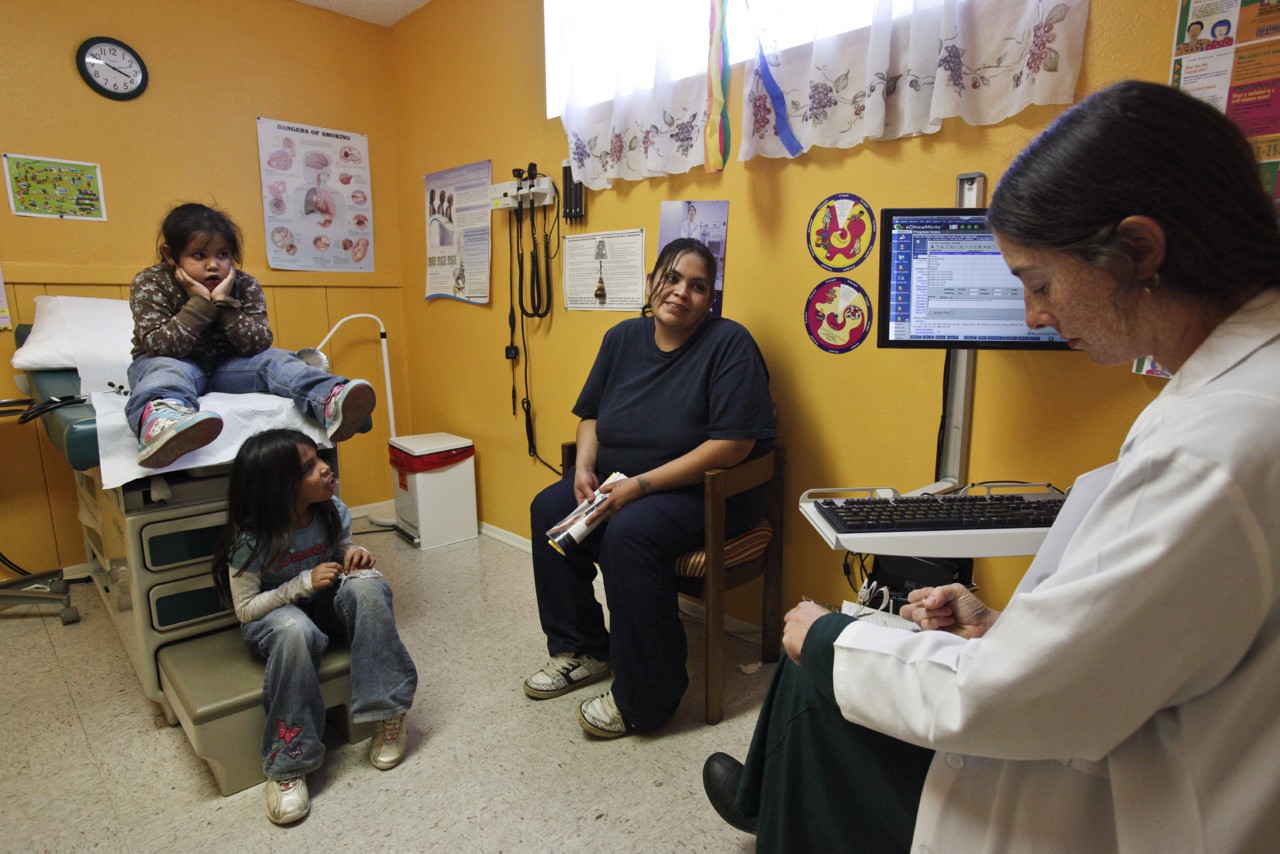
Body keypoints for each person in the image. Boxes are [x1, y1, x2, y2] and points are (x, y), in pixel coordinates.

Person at [703, 79, 1280, 851]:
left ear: (1139, 250)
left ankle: (769, 802)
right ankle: (767, 800)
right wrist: (1007, 626)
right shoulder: (1236, 393)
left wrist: (840, 637)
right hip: (1115, 734)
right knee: (835, 667)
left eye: (1038, 284)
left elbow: (1023, 701)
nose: (1036, 316)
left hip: (1120, 808)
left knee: (825, 651)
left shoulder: (1220, 448)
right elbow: (1150, 634)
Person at [524, 237, 777, 738]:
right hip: (624, 483)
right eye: (672, 277)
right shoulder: (622, 338)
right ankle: (583, 649)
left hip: (708, 492)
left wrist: (639, 486)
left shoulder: (730, 345)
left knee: (631, 534)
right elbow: (591, 414)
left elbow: (733, 446)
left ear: (710, 300)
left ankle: (647, 697)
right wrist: (583, 468)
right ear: (650, 284)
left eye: (698, 286)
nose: (681, 292)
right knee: (547, 507)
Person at [211, 428, 418, 825]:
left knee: (371, 586)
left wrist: (353, 553)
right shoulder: (251, 538)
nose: (325, 469)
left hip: (323, 604)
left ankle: (387, 714)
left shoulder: (331, 510)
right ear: (279, 486)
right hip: (274, 617)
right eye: (310, 467)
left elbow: (339, 550)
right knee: (294, 630)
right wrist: (301, 583)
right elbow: (245, 609)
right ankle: (288, 764)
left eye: (319, 458)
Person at [126, 203, 376, 468]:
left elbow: (257, 344)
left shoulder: (244, 284)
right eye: (199, 255)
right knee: (166, 370)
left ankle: (330, 400)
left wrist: (225, 306)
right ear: (171, 255)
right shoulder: (150, 282)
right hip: (173, 361)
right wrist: (200, 304)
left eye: (222, 254)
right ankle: (164, 423)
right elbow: (159, 345)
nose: (213, 265)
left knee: (275, 359)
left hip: (228, 366)